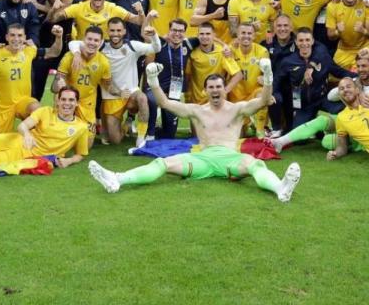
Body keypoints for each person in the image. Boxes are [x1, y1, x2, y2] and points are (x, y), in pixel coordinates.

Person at [88, 58, 303, 202]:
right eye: (211, 87)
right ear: (206, 90)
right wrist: (152, 81)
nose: (216, 90)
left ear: (224, 89)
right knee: (161, 163)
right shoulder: (197, 110)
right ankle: (117, 179)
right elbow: (166, 104)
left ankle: (281, 189)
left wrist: (267, 77)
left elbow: (264, 100)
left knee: (256, 164)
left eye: (219, 86)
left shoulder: (237, 109)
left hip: (230, 158)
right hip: (203, 159)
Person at [70, 17, 160, 147]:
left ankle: (140, 138)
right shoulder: (100, 46)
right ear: (107, 31)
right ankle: (126, 127)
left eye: (119, 30)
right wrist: (77, 54)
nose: (115, 34)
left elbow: (155, 48)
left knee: (142, 98)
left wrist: (154, 35)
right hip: (111, 96)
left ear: (124, 31)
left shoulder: (132, 46)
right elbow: (73, 44)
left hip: (130, 93)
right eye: (112, 30)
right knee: (115, 140)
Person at [0, 23, 64, 133]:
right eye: (12, 35)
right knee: (0, 146)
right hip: (2, 107)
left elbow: (54, 52)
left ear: (24, 38)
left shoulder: (29, 51)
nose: (16, 39)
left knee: (37, 109)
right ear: (6, 37)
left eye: (20, 36)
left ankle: (38, 140)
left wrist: (58, 37)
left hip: (23, 102)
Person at [273, 27, 350, 129]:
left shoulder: (323, 57)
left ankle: (322, 120)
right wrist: (274, 95)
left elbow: (339, 71)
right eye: (301, 40)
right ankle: (316, 123)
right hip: (303, 106)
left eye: (307, 40)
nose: (304, 43)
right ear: (296, 42)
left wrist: (358, 76)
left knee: (343, 110)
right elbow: (276, 83)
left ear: (313, 41)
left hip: (322, 100)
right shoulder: (288, 62)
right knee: (300, 140)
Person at [146, 18, 198, 139]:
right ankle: (150, 134)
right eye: (174, 30)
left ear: (185, 32)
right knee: (152, 101)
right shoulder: (160, 43)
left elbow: (207, 38)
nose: (177, 33)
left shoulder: (188, 45)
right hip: (155, 88)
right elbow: (146, 34)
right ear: (169, 31)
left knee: (170, 134)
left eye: (181, 31)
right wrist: (148, 19)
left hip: (174, 91)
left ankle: (159, 130)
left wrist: (225, 46)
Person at [53, 26, 113, 127]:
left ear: (101, 42)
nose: (92, 43)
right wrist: (58, 84)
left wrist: (121, 91)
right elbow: (54, 88)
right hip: (68, 100)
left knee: (88, 140)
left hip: (87, 103)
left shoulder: (104, 62)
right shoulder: (69, 57)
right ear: (84, 39)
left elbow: (108, 86)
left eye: (96, 40)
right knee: (61, 134)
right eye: (89, 39)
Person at [48, 0, 146, 38]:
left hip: (105, 50)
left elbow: (139, 21)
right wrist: (53, 10)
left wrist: (141, 12)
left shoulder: (113, 8)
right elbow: (53, 19)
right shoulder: (79, 7)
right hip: (83, 50)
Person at [229, 22, 272, 136]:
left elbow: (267, 75)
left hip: (253, 94)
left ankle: (260, 129)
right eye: (243, 33)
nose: (246, 36)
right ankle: (247, 124)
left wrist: (263, 78)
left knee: (263, 94)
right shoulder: (230, 50)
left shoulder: (262, 51)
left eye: (249, 33)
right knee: (239, 136)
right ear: (237, 35)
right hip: (235, 97)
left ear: (254, 36)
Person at [186, 21, 242, 105]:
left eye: (208, 34)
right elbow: (187, 75)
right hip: (198, 102)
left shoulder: (222, 53)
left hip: (216, 101)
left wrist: (225, 91)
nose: (204, 36)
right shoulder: (192, 52)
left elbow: (238, 75)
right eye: (202, 34)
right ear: (197, 36)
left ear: (214, 36)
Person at [325, 0, 369, 70]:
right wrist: (337, 32)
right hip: (344, 50)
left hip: (364, 47)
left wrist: (363, 30)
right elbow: (330, 36)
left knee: (363, 72)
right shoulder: (332, 6)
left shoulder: (366, 3)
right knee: (332, 76)